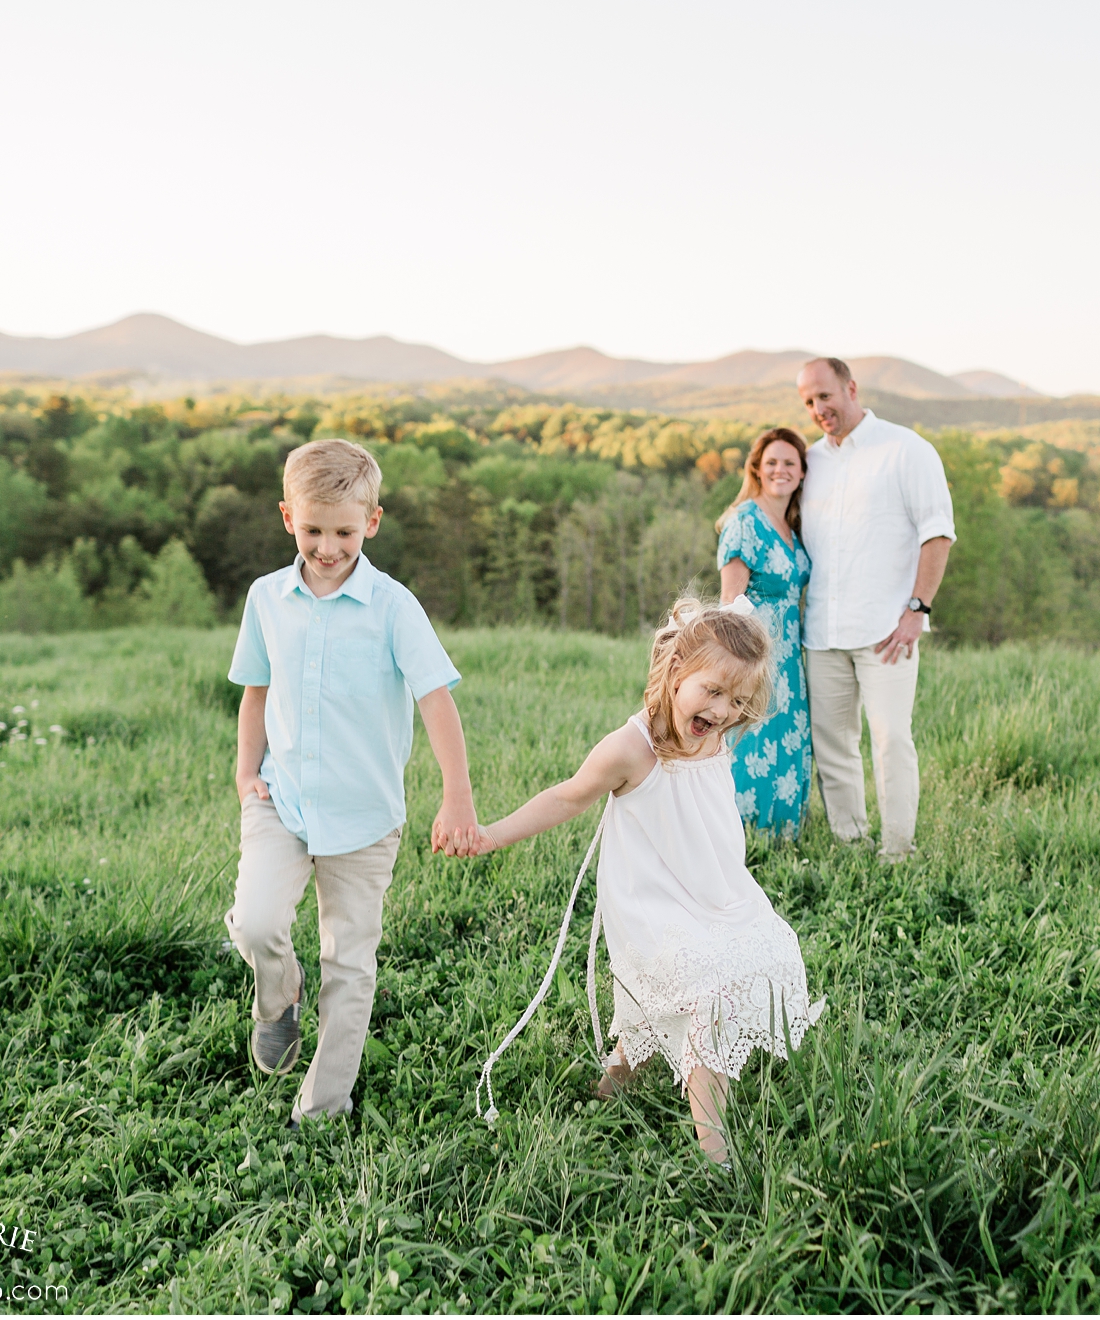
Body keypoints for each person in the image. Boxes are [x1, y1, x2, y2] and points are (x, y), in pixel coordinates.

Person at [463, 598, 825, 1165]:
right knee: (710, 995)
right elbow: (566, 796)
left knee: (761, 952)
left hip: (715, 895)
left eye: (737, 700)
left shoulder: (715, 733)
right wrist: (491, 834)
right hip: (653, 909)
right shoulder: (631, 749)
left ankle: (610, 1088)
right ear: (675, 671)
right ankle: (718, 1154)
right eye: (712, 691)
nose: (725, 710)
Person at [226, 438, 479, 1125]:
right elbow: (255, 689)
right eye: (313, 530)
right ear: (287, 518)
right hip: (282, 801)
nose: (328, 546)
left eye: (343, 530)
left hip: (364, 818)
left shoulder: (394, 606)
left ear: (371, 521)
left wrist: (457, 793)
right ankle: (278, 994)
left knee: (349, 964)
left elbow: (436, 699)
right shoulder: (266, 598)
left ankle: (321, 1109)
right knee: (256, 921)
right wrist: (247, 770)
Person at [796, 356, 956, 860]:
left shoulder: (906, 449)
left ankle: (897, 850)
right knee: (834, 748)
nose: (819, 408)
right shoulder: (810, 461)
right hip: (822, 632)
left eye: (825, 396)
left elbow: (938, 533)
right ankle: (850, 842)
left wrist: (918, 609)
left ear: (851, 388)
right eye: (808, 402)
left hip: (888, 630)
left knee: (891, 742)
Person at [716, 427, 814, 838]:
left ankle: (782, 837)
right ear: (757, 468)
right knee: (752, 744)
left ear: (802, 471)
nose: (780, 470)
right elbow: (728, 605)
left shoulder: (795, 525)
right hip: (754, 655)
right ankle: (738, 837)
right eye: (772, 462)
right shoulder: (743, 522)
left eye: (790, 462)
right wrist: (734, 672)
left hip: (790, 657)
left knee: (787, 740)